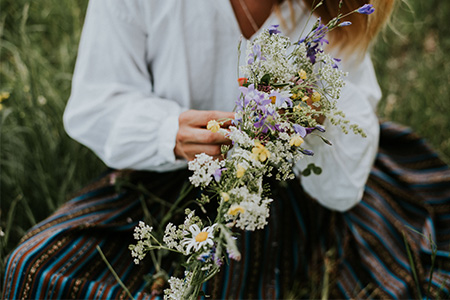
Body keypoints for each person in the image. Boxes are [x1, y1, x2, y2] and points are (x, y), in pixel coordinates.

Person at [3, 0, 450, 299]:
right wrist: (168, 133)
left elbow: (342, 185)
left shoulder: (331, 10)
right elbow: (95, 104)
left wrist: (316, 118)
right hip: (167, 179)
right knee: (32, 269)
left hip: (288, 191)